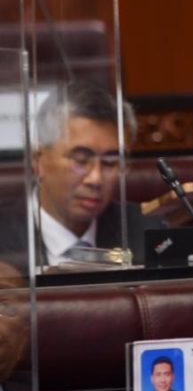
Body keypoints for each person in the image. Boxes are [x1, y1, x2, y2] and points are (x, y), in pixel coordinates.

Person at [0, 82, 163, 273]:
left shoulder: (147, 232)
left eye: (110, 162)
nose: (95, 179)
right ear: (38, 161)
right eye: (80, 160)